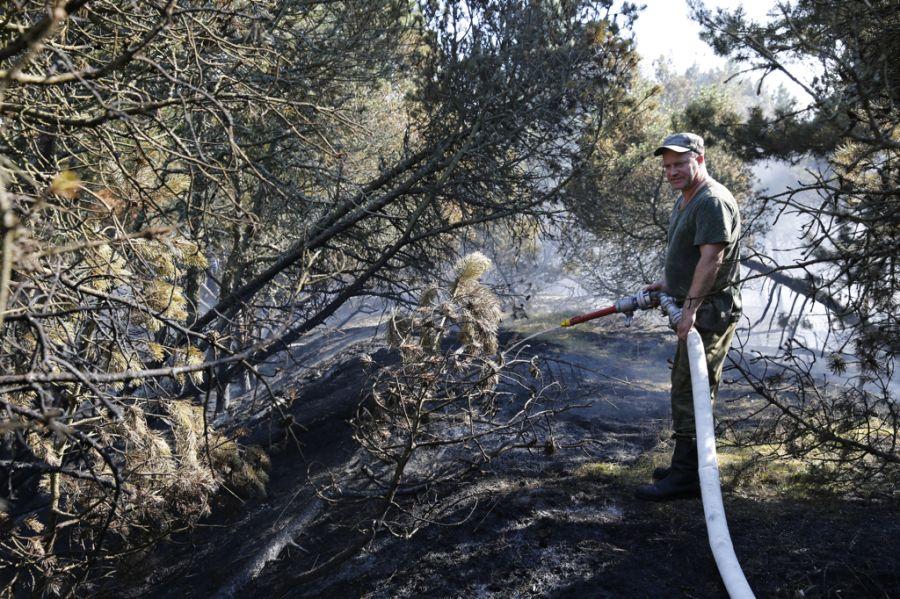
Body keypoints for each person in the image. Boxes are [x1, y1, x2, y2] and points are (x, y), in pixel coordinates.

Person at [635, 132, 742, 501]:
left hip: (709, 312)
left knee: (692, 388)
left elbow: (712, 259)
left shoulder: (711, 200)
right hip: (693, 303)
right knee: (687, 384)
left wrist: (691, 310)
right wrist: (669, 284)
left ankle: (686, 477)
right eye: (666, 166)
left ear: (699, 158)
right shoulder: (686, 199)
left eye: (680, 163)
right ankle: (690, 465)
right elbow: (692, 257)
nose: (672, 171)